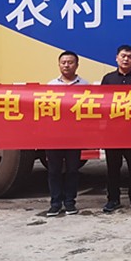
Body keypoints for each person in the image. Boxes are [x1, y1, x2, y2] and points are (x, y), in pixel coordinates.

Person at [100, 44, 131, 213]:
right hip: (112, 132)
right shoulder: (108, 79)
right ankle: (113, 199)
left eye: (129, 56)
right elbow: (102, 103)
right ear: (116, 58)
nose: (126, 59)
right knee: (113, 168)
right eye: (123, 56)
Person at [44, 50, 88, 217]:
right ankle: (55, 203)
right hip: (54, 135)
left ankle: (70, 202)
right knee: (54, 170)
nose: (67, 65)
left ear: (77, 65)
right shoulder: (51, 85)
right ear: (59, 65)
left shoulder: (84, 85)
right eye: (63, 62)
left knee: (72, 170)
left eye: (70, 62)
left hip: (75, 136)